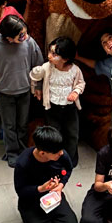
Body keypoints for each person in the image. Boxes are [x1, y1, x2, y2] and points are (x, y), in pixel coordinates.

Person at [0, 15, 44, 167]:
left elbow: (38, 65)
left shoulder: (29, 43)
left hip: (25, 91)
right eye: (21, 35)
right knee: (9, 125)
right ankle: (12, 153)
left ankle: (23, 151)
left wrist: (37, 86)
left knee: (22, 124)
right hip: (4, 94)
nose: (26, 36)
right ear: (9, 38)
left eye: (25, 32)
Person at [13, 126, 82, 223]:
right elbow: (21, 191)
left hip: (53, 197)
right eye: (57, 152)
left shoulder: (61, 154)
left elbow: (68, 169)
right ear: (42, 153)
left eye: (61, 150)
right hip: (31, 202)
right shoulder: (23, 163)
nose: (61, 153)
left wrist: (60, 185)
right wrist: (40, 188)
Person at [30, 36, 85, 166]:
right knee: (54, 135)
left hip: (70, 108)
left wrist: (76, 92)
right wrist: (36, 86)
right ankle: (55, 158)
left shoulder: (75, 70)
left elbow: (81, 83)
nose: (49, 56)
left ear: (65, 58)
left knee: (72, 134)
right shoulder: (47, 67)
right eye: (50, 52)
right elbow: (34, 76)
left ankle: (70, 159)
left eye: (54, 54)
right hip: (52, 108)